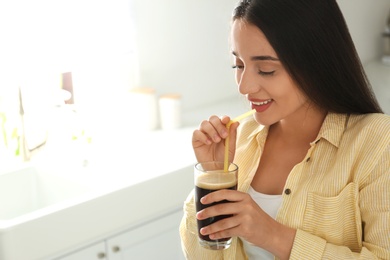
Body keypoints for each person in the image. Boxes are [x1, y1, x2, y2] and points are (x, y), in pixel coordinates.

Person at [179, 0, 390, 259]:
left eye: (266, 69)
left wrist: (272, 235)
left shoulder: (378, 142)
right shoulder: (239, 140)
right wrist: (212, 177)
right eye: (239, 65)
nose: (244, 87)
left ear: (316, 63)